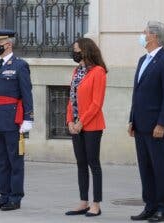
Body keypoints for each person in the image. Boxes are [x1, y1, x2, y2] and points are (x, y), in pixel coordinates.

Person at [128, 21, 164, 222]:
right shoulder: (143, 60)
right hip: (140, 124)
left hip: (156, 125)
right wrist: (132, 120)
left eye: (145, 32)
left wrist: (162, 123)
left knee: (159, 167)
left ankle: (163, 209)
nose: (142, 35)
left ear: (154, 37)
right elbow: (137, 92)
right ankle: (149, 206)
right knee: (145, 168)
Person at [0, 29, 34, 211]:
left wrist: (28, 118)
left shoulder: (20, 65)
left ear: (8, 45)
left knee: (15, 160)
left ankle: (15, 197)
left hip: (13, 119)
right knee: (1, 160)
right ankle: (3, 195)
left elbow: (26, 93)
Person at [65, 38, 107, 217]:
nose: (74, 53)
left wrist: (81, 122)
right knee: (81, 164)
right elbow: (71, 99)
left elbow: (96, 103)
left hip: (92, 126)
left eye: (76, 50)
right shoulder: (76, 71)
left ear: (85, 51)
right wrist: (70, 122)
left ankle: (96, 204)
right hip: (76, 125)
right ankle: (83, 202)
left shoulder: (98, 72)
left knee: (93, 163)